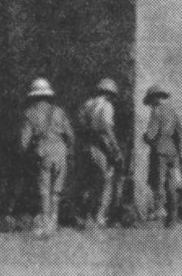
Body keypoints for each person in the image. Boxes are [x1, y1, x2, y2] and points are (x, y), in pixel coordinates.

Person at [19, 78, 74, 237]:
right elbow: (70, 134)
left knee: (44, 190)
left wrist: (25, 154)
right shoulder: (59, 112)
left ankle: (45, 224)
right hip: (61, 151)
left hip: (43, 152)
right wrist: (69, 151)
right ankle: (54, 222)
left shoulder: (30, 113)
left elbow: (24, 142)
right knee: (56, 191)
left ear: (33, 96)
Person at [78, 78, 121, 227]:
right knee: (106, 181)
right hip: (101, 146)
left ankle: (84, 216)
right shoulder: (107, 106)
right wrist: (115, 148)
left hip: (86, 146)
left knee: (89, 182)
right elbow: (107, 128)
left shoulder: (87, 104)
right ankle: (100, 217)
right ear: (110, 93)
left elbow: (81, 124)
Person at [142, 85, 182, 227]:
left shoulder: (156, 111)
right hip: (172, 152)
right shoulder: (172, 111)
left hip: (159, 151)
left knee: (158, 182)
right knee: (171, 184)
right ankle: (172, 218)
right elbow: (179, 131)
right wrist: (178, 149)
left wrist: (146, 138)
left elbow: (151, 133)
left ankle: (158, 215)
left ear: (154, 98)